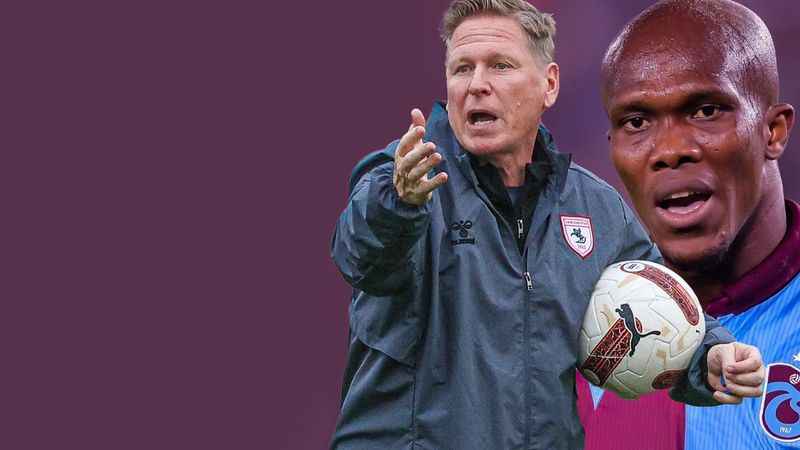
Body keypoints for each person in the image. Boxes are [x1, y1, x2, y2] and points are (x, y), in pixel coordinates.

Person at [331, 1, 763, 449]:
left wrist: (710, 355)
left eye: (500, 66)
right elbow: (359, 256)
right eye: (462, 69)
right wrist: (400, 203)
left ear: (549, 85)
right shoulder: (404, 179)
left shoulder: (593, 205)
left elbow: (658, 300)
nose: (476, 85)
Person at [577, 1, 798, 449]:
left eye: (706, 111)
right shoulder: (568, 325)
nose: (670, 150)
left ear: (773, 131)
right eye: (637, 122)